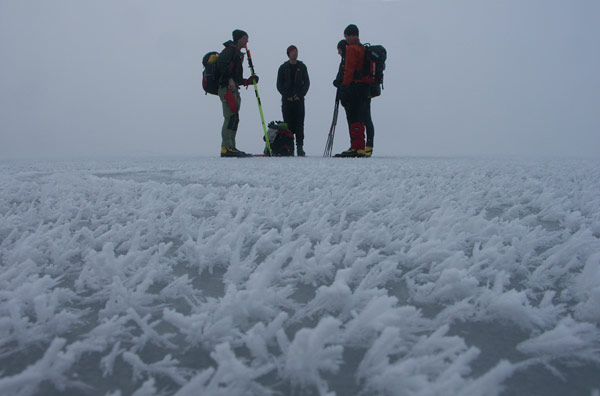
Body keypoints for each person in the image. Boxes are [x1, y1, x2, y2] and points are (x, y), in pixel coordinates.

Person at [216, 29, 259, 157]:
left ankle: (231, 146)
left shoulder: (236, 53)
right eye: (245, 38)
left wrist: (248, 82)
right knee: (230, 117)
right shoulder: (230, 50)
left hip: (232, 89)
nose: (247, 41)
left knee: (234, 118)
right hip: (227, 89)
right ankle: (226, 147)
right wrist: (229, 79)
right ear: (239, 39)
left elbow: (237, 78)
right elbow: (221, 65)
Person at [335, 24, 371, 158]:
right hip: (364, 86)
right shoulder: (362, 48)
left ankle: (355, 147)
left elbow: (349, 70)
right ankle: (360, 146)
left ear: (351, 35)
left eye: (346, 37)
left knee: (353, 116)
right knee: (360, 117)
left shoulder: (351, 49)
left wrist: (344, 86)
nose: (346, 40)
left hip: (354, 86)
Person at [277, 45, 310, 156]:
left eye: (296, 51)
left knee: (300, 124)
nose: (295, 53)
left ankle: (300, 147)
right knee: (288, 124)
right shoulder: (283, 67)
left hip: (299, 101)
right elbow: (279, 85)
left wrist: (300, 95)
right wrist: (287, 96)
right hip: (287, 101)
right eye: (293, 51)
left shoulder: (302, 66)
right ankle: (289, 147)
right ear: (288, 53)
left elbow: (307, 83)